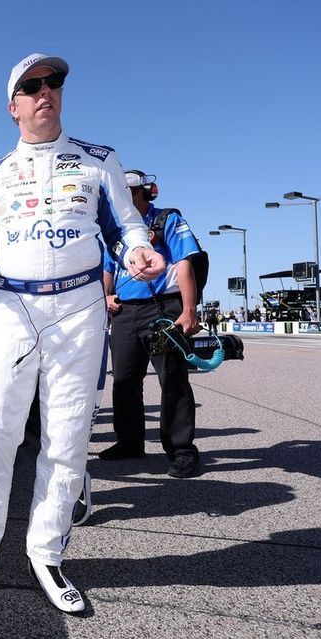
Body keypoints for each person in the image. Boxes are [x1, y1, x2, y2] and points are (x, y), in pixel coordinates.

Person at [0, 53, 165, 613]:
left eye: (54, 83)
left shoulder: (98, 160)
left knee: (64, 441)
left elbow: (124, 225)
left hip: (80, 309)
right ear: (13, 106)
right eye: (33, 86)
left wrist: (138, 251)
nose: (47, 92)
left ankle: (46, 553)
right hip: (13, 310)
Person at [101, 170, 202, 478]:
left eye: (130, 193)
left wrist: (188, 310)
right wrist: (106, 296)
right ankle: (129, 442)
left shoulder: (167, 220)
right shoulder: (115, 231)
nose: (125, 199)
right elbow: (108, 267)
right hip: (125, 313)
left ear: (144, 193)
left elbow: (185, 262)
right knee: (124, 381)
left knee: (172, 378)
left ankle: (182, 450)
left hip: (163, 308)